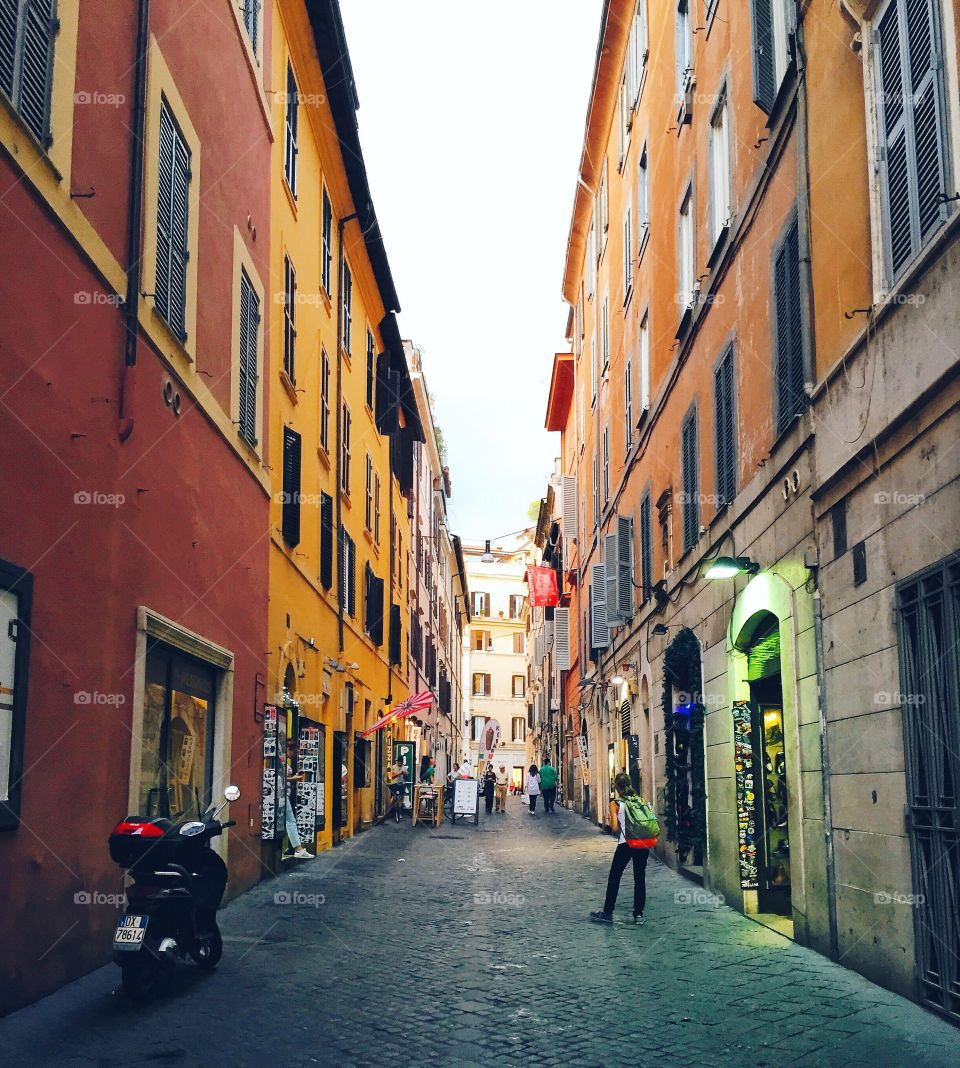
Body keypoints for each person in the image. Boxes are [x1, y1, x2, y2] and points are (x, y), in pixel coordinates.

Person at [590, 772, 656, 925]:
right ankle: (638, 914)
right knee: (639, 878)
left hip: (626, 843)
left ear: (617, 787)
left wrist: (614, 819)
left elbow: (613, 828)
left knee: (615, 876)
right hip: (643, 843)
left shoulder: (615, 804)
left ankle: (607, 912)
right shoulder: (641, 800)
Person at [282, 739, 312, 860]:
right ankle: (298, 849)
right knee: (290, 821)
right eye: (293, 752)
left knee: (288, 821)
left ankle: (295, 848)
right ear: (288, 749)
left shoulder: (283, 761)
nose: (294, 755)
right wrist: (295, 779)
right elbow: (281, 778)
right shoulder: (282, 761)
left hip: (284, 794)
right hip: (282, 795)